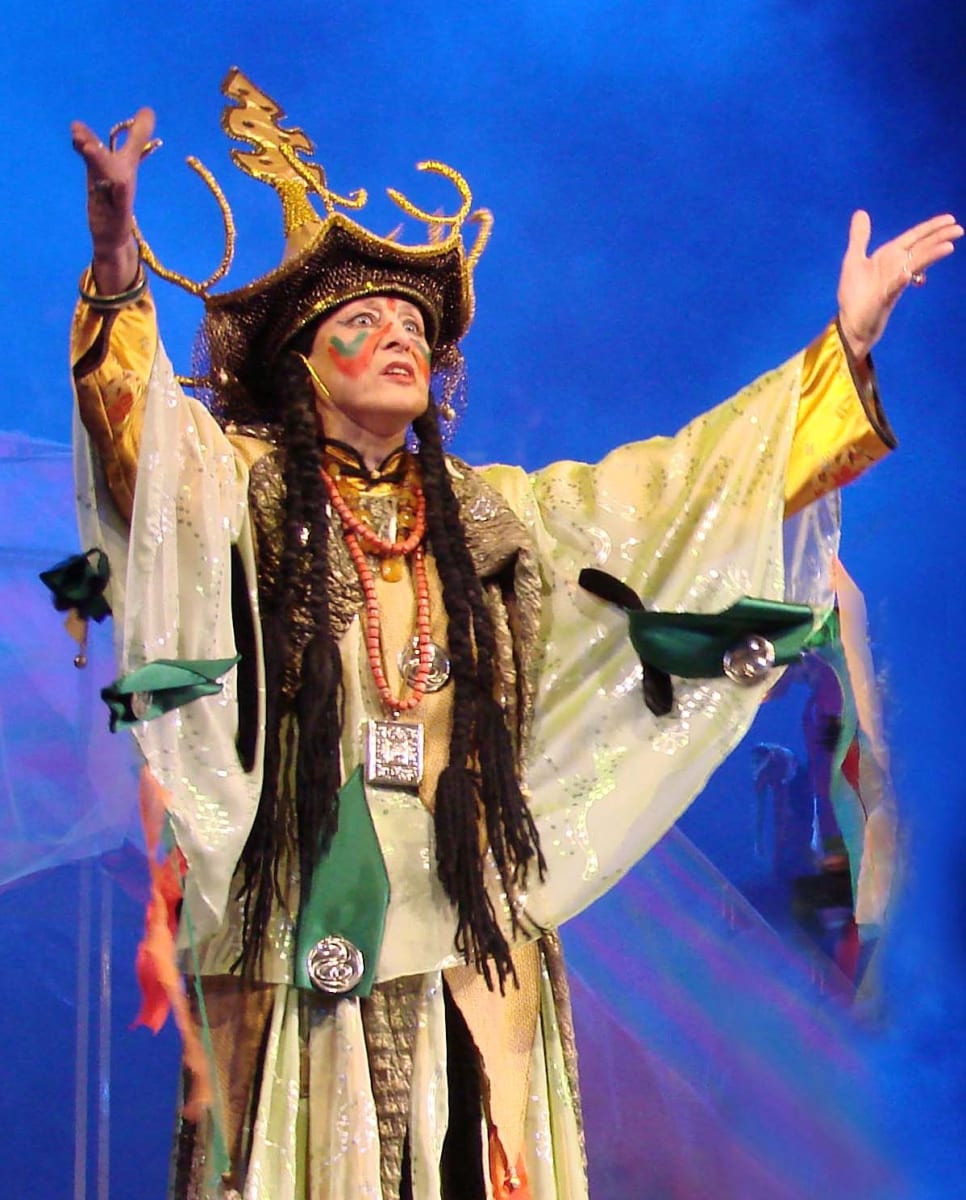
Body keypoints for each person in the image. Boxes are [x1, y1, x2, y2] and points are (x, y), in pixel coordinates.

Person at [68, 70, 960, 1200]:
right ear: (299, 363)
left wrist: (838, 356)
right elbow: (142, 454)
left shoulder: (495, 519)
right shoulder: (244, 489)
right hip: (303, 917)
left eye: (413, 326)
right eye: (363, 323)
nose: (399, 337)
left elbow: (676, 493)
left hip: (469, 922)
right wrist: (116, 263)